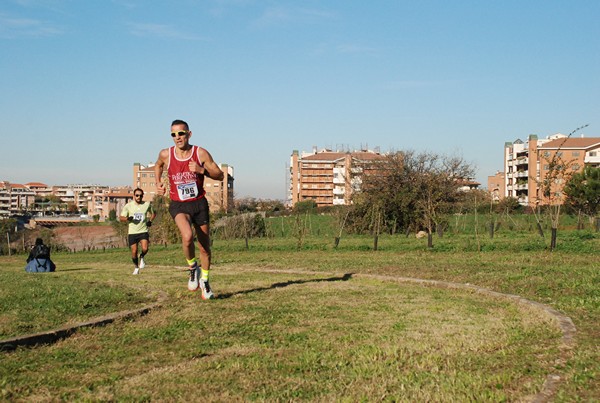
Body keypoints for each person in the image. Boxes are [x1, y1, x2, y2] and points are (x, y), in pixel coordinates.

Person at [154, 119, 224, 300]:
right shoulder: (166, 154)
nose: (177, 137)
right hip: (179, 204)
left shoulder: (200, 153)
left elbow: (220, 175)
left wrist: (202, 170)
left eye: (181, 133)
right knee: (186, 236)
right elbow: (158, 165)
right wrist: (158, 182)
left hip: (199, 204)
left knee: (204, 247)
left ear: (189, 134)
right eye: (173, 134)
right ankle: (193, 268)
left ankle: (205, 282)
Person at [119, 188, 156, 275]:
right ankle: (136, 267)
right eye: (137, 195)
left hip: (143, 230)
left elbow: (153, 213)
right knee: (134, 251)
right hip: (132, 232)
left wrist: (150, 221)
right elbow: (121, 218)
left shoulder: (147, 205)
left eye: (140, 195)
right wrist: (128, 218)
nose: (139, 197)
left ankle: (142, 256)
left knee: (145, 248)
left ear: (143, 196)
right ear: (134, 196)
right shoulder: (128, 206)